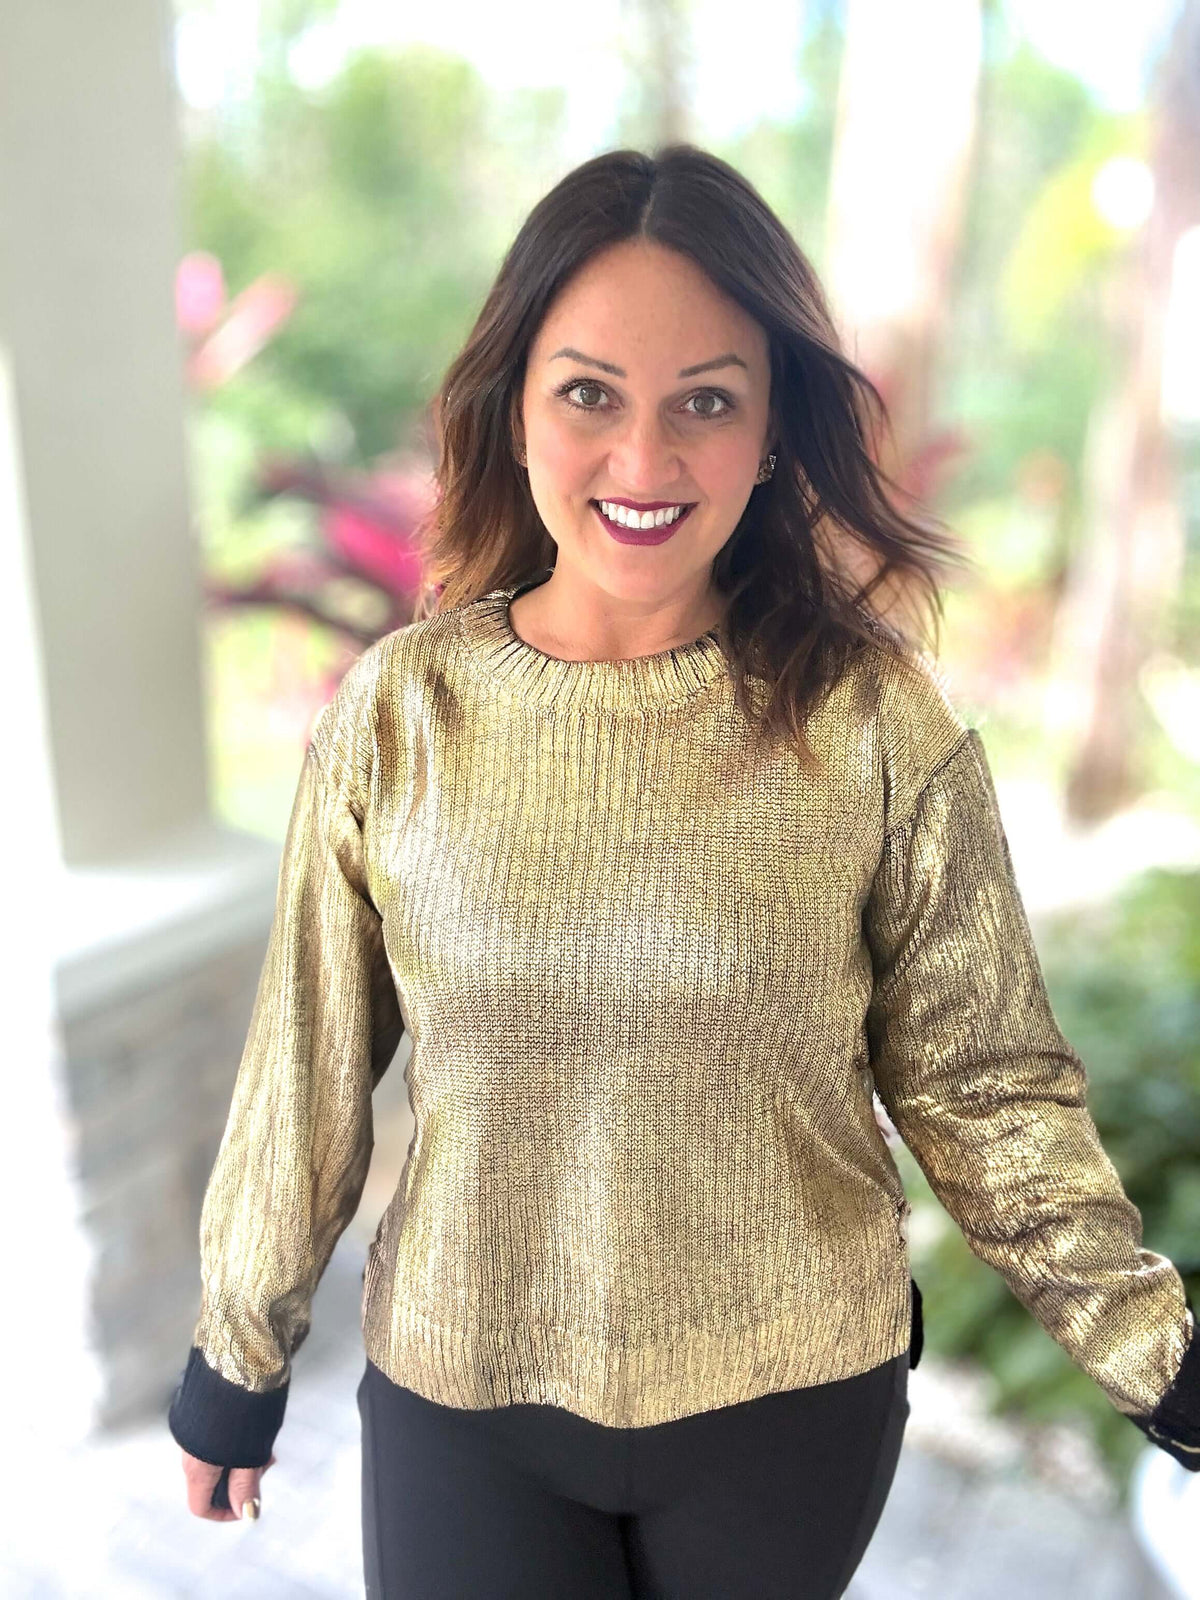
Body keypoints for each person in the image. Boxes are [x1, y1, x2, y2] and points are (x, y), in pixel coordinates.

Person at [168, 143, 1200, 1597]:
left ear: (774, 429)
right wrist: (240, 1340)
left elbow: (983, 1081)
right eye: (589, 392)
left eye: (704, 403)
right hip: (468, 1390)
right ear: (515, 406)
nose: (643, 464)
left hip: (791, 1402)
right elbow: (308, 1066)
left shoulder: (871, 719)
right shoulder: (403, 715)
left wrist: (1150, 1346)